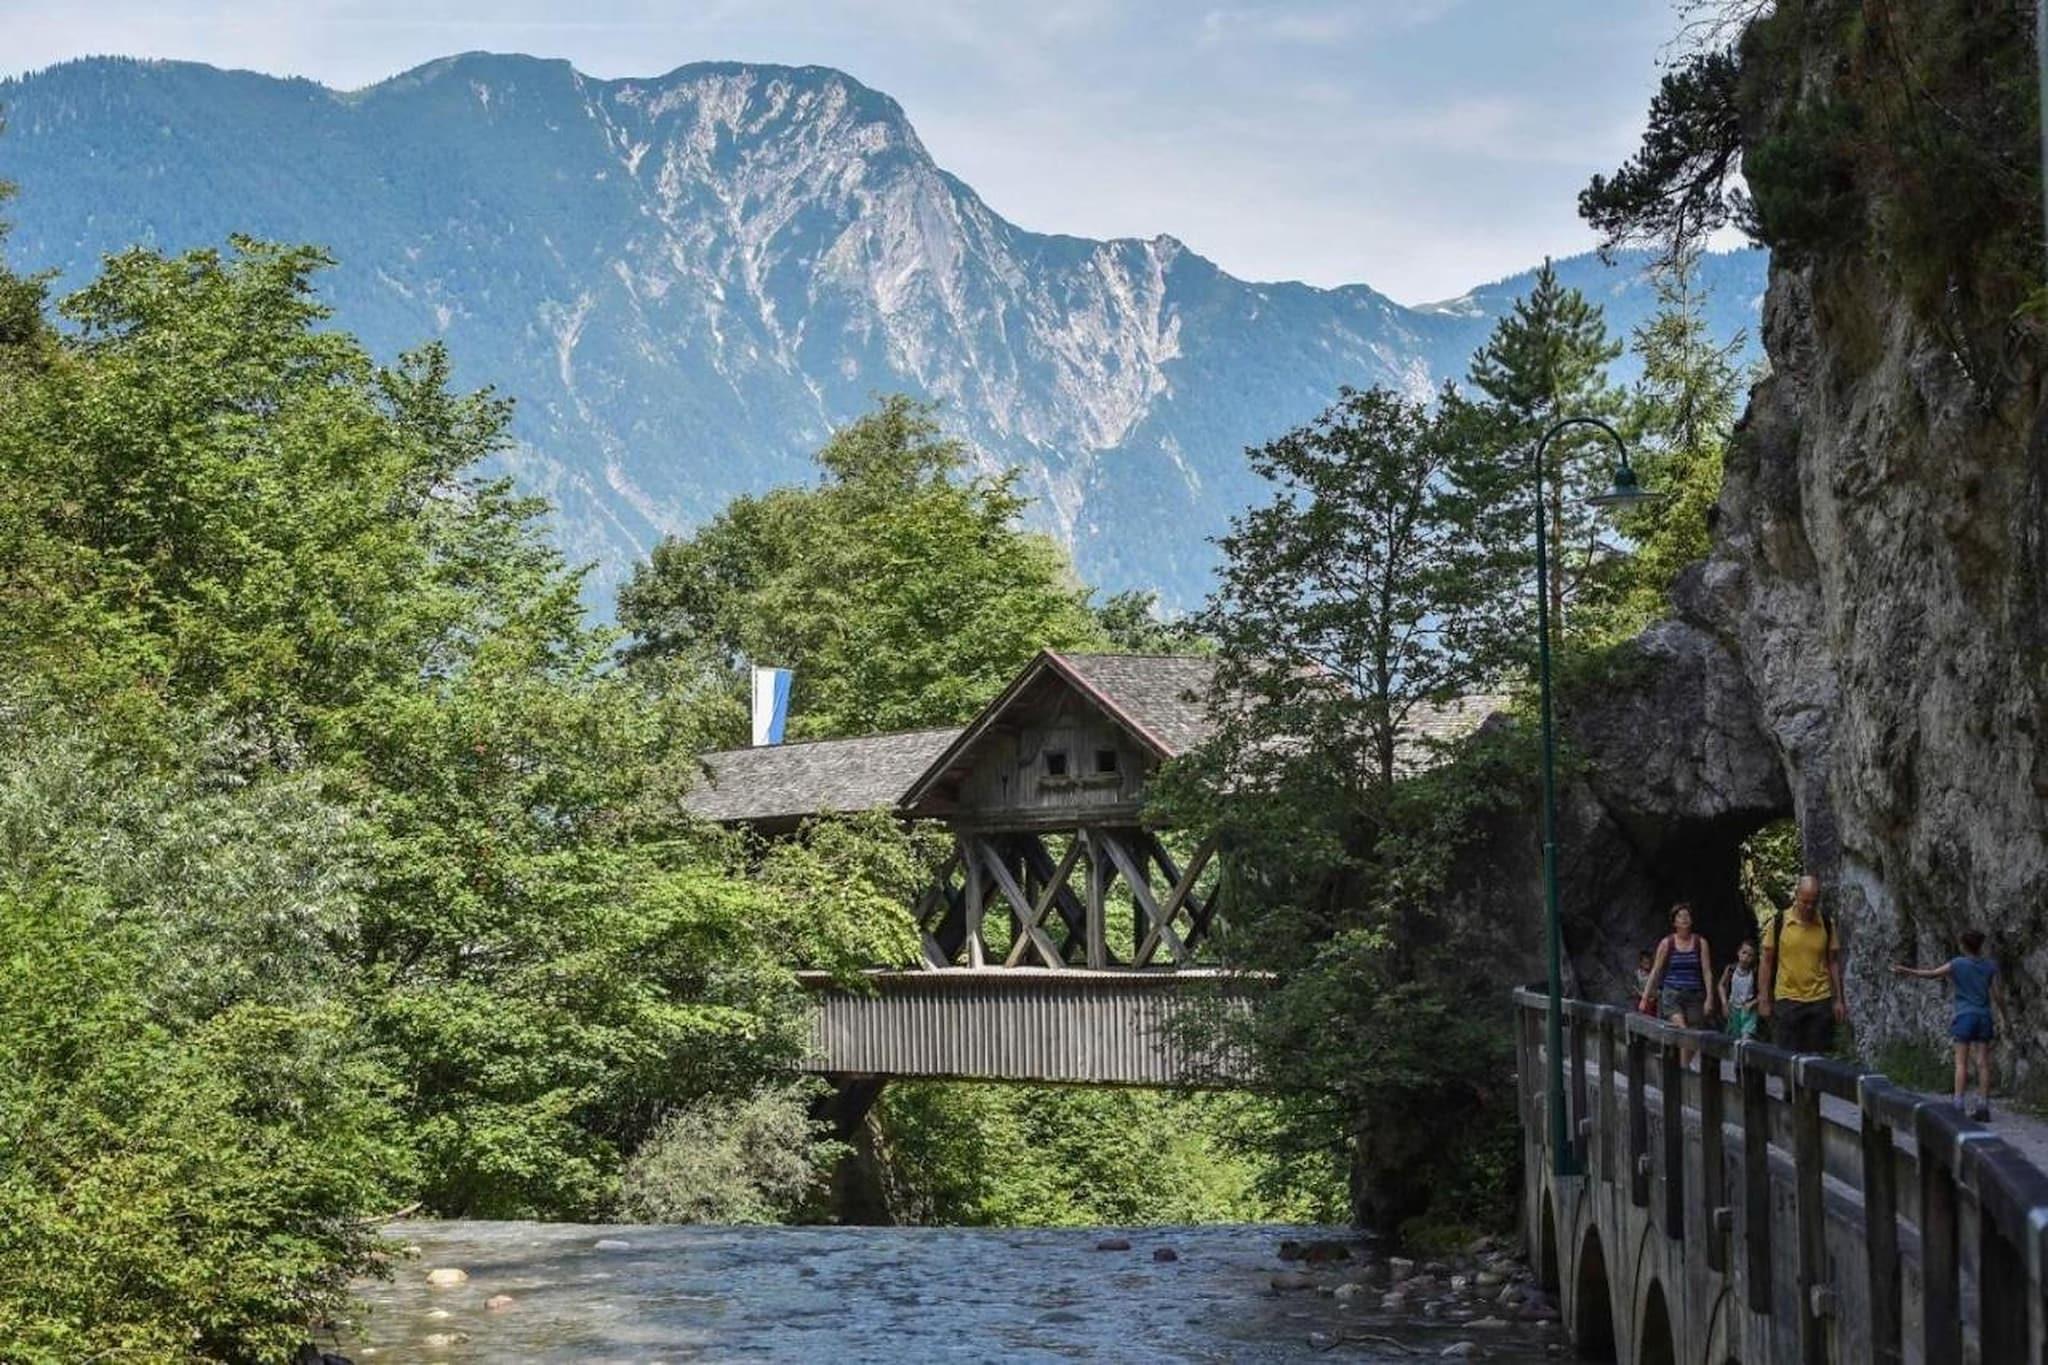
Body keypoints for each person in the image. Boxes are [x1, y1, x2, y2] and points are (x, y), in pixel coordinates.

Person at [1892, 929, 2011, 1121]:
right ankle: (1983, 1107)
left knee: (1961, 1063)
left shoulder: (1958, 964)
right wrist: (2005, 1018)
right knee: (1983, 1063)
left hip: (1965, 1016)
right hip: (1984, 1017)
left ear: (1964, 945)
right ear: (1980, 946)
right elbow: (1998, 996)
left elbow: (1931, 974)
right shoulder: (1990, 966)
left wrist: (1906, 970)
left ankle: (1958, 1105)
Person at [1757, 874, 1845, 1054]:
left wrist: (1838, 1000)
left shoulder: (1826, 924)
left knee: (1817, 1061)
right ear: (1796, 895)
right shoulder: (1779, 923)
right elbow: (1766, 962)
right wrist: (1763, 998)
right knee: (1786, 1058)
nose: (1809, 907)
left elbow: (1833, 962)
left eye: (1813, 902)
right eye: (1805, 902)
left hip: (1819, 999)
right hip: (1788, 999)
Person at [1639, 904, 1714, 1065]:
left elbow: (1707, 971)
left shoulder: (1700, 943)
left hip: (1694, 995)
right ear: (1674, 922)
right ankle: (1683, 1070)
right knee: (1682, 1030)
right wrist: (1644, 998)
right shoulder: (1667, 943)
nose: (1684, 919)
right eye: (1680, 916)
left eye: (1687, 916)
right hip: (1672, 994)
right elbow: (1656, 971)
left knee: (1693, 1036)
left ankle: (1681, 1068)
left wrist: (1709, 998)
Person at [1719, 939, 1761, 1040]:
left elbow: (1763, 993)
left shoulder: (1755, 972)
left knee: (1746, 1038)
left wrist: (1753, 1003)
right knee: (1733, 1037)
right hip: (1733, 1008)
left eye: (1750, 955)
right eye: (1744, 953)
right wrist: (1724, 1003)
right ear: (1738, 953)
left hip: (1748, 1009)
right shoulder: (1731, 969)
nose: (1745, 958)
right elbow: (1721, 985)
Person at [1633, 949, 1657, 1015]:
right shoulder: (1637, 973)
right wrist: (1639, 993)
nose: (1648, 965)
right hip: (1640, 999)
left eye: (1650, 963)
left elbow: (1656, 989)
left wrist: (1653, 997)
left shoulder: (1653, 974)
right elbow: (1634, 987)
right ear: (1641, 963)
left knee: (1650, 1016)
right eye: (1646, 963)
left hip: (1651, 1001)